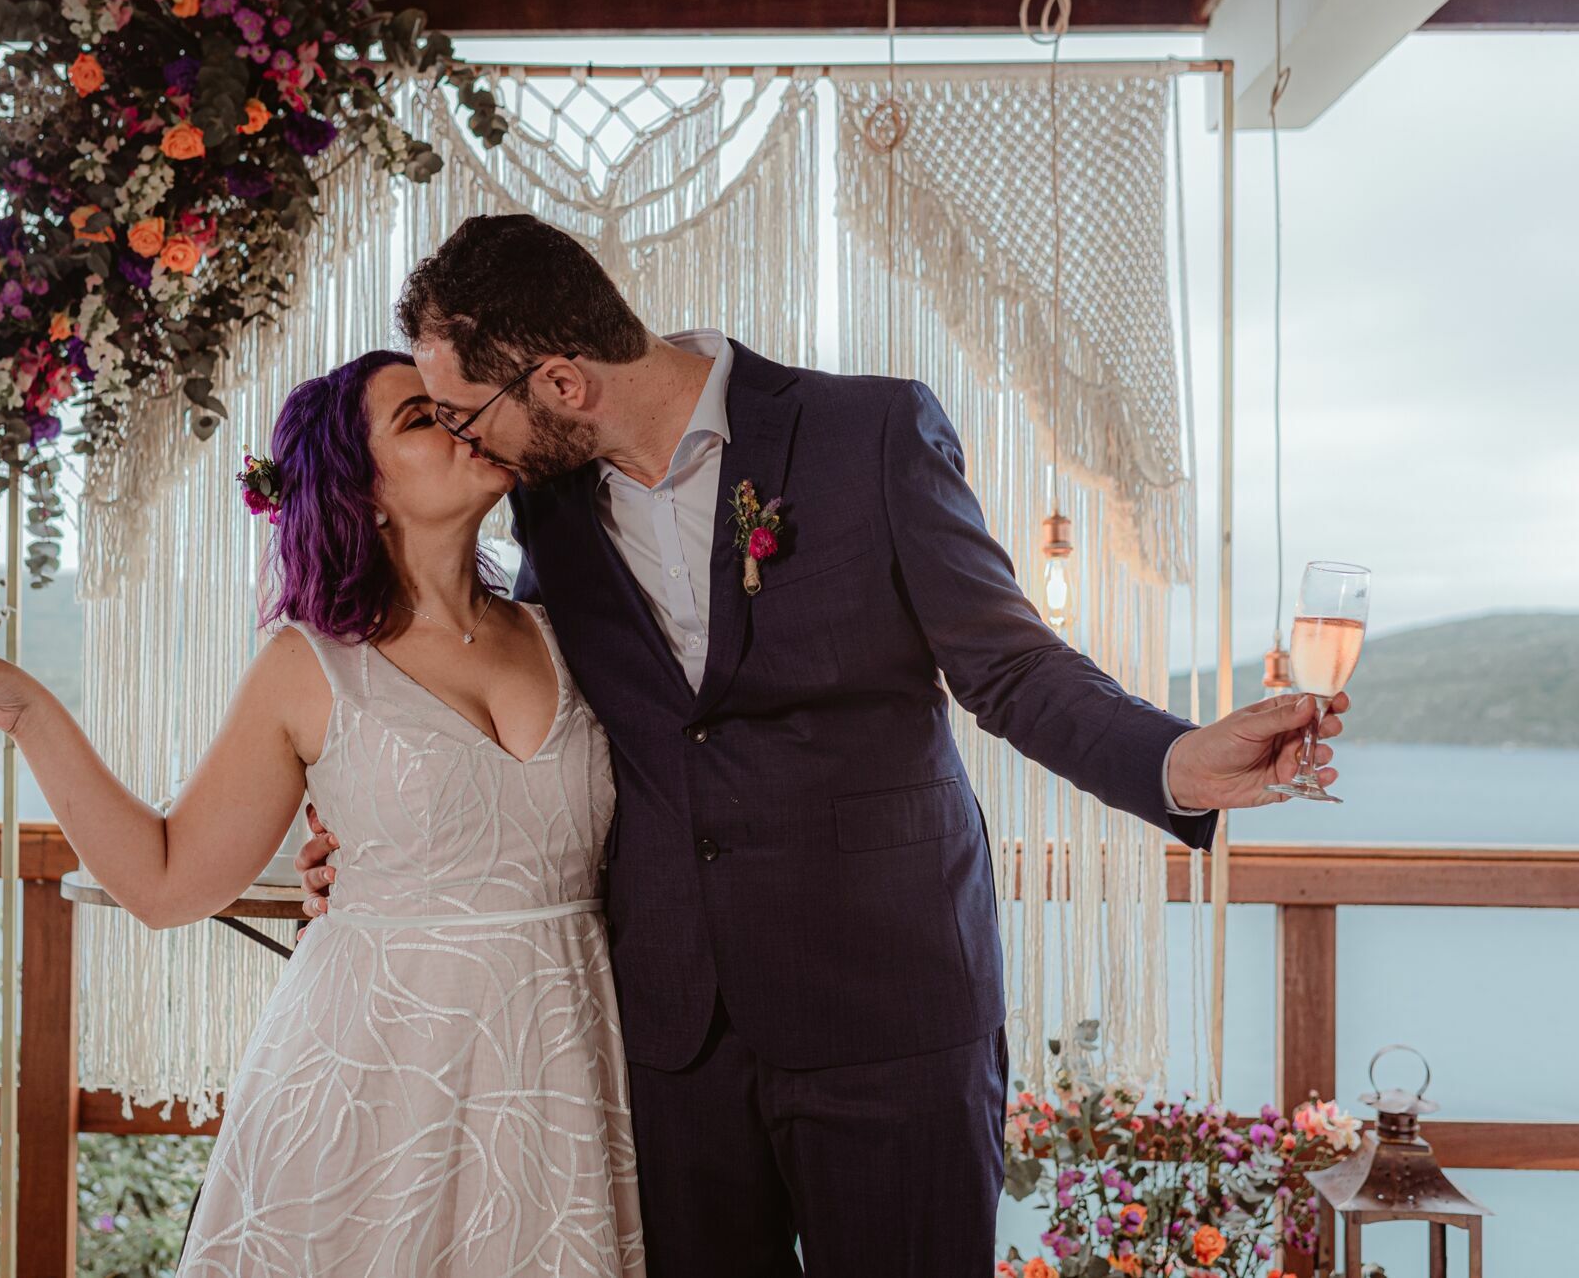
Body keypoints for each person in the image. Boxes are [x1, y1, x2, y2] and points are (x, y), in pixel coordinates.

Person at [295, 214, 1348, 1277]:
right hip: (675, 1033)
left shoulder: (869, 433)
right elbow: (552, 718)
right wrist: (384, 834)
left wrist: (1174, 760)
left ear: (563, 384)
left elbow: (1011, 666)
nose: (470, 445)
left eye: (472, 416)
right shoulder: (552, 520)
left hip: (889, 1010)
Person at [0, 349, 645, 1277]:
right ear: (361, 489)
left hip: (561, 1069)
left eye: (455, 405)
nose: (460, 421)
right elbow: (168, 884)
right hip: (371, 1085)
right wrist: (34, 718)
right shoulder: (311, 664)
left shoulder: (573, 629)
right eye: (421, 418)